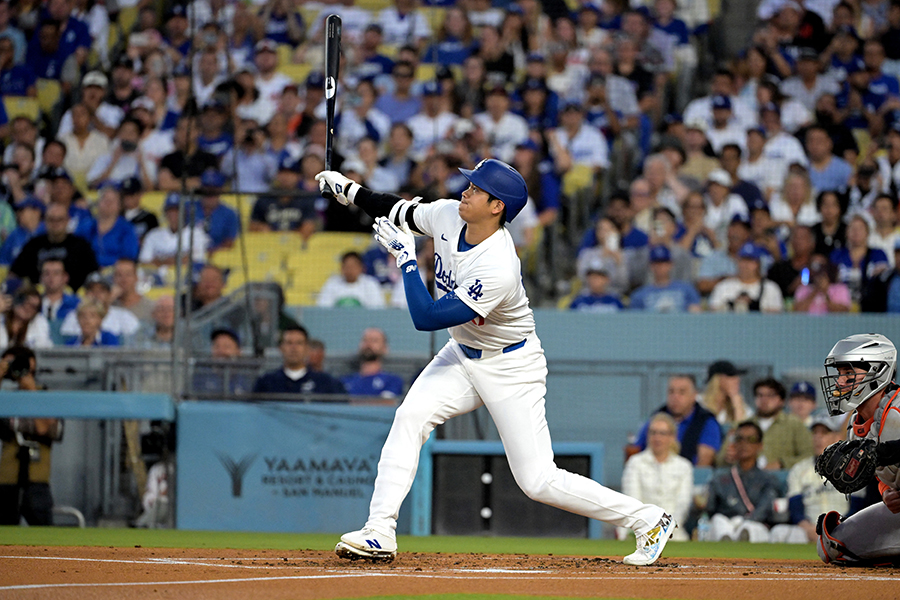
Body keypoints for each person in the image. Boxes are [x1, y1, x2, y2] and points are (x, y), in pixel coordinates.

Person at [315, 159, 677, 565]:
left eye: (475, 188)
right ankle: (379, 529)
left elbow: (426, 319)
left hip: (511, 367)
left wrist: (407, 261)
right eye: (468, 183)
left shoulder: (498, 266)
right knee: (410, 417)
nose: (465, 190)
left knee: (537, 480)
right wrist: (346, 189)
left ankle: (648, 519)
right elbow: (395, 208)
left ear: (496, 207)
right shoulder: (448, 214)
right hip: (460, 354)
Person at [815, 333, 900, 565]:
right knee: (831, 545)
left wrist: (885, 452)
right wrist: (886, 492)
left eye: (849, 374)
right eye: (841, 373)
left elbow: (884, 456)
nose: (840, 381)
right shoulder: (856, 426)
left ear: (879, 372)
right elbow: (883, 474)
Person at [0, 346, 62, 525]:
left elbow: (44, 428)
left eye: (16, 363)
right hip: (7, 475)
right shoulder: (6, 397)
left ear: (31, 364)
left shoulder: (46, 395)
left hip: (37, 477)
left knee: (42, 530)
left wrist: (31, 390)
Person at [768, 411, 850, 544]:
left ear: (837, 437)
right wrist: (808, 528)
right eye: (815, 433)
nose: (818, 438)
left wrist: (842, 527)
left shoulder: (850, 468)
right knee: (778, 532)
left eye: (824, 433)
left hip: (845, 528)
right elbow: (795, 507)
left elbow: (857, 505)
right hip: (809, 530)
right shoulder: (800, 469)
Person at [705, 421, 783, 542]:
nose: (744, 444)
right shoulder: (719, 478)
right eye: (739, 439)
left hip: (755, 527)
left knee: (749, 529)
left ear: (760, 445)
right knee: (718, 520)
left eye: (751, 439)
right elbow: (710, 509)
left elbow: (764, 510)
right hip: (726, 525)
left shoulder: (768, 479)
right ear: (734, 443)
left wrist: (742, 522)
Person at [620, 413, 693, 542]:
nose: (657, 438)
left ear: (672, 437)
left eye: (662, 433)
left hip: (674, 535)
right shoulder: (635, 463)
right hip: (639, 532)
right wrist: (649, 530)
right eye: (653, 433)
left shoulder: (684, 466)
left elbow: (683, 504)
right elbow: (633, 500)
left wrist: (664, 530)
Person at [628, 374, 722, 467]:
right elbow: (638, 450)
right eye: (671, 392)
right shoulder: (656, 418)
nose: (675, 397)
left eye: (682, 392)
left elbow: (703, 462)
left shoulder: (707, 422)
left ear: (694, 395)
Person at [10, 202, 99, 292]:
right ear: (45, 221)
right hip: (38, 299)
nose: (55, 223)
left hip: (74, 298)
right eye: (51, 219)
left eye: (59, 219)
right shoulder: (33, 244)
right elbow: (14, 274)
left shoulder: (81, 245)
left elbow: (93, 275)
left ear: (67, 220)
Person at [252, 325, 345, 396]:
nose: (294, 348)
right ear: (281, 348)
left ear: (307, 349)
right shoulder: (266, 382)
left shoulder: (326, 383)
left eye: (299, 343)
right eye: (289, 343)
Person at [750, 377, 814, 471]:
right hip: (747, 479)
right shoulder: (744, 425)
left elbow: (810, 455)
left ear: (781, 401)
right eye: (760, 395)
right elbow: (722, 457)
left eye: (770, 395)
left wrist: (783, 463)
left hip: (783, 480)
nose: (764, 400)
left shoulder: (794, 425)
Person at [627, 245, 701, 313]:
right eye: (656, 263)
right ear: (650, 266)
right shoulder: (639, 294)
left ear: (671, 265)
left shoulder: (686, 289)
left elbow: (695, 314)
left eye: (664, 262)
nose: (660, 267)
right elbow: (636, 321)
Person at [341, 328, 405, 400]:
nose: (368, 344)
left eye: (374, 341)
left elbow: (386, 404)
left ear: (385, 348)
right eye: (365, 340)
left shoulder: (392, 381)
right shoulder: (345, 381)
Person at [317, 251, 386, 308]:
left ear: (361, 268)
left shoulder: (371, 284)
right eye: (347, 266)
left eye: (353, 266)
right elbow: (323, 309)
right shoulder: (331, 284)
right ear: (341, 268)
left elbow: (377, 311)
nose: (350, 270)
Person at [701, 360, 752, 430]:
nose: (737, 380)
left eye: (737, 376)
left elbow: (746, 433)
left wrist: (738, 408)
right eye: (731, 376)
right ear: (718, 379)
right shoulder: (699, 403)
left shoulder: (744, 409)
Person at [0, 283, 52, 349]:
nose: (27, 308)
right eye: (26, 302)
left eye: (33, 307)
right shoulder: (1, 318)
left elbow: (43, 350)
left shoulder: (39, 323)